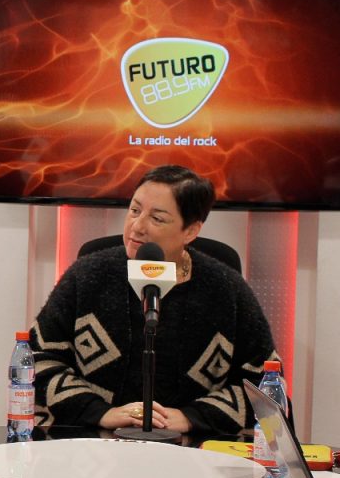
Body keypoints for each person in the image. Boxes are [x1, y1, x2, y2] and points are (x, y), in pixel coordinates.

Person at [31, 165, 278, 435]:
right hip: (95, 442)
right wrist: (100, 412)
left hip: (194, 449)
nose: (137, 227)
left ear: (190, 230)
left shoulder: (227, 288)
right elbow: (38, 359)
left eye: (157, 218)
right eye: (134, 210)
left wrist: (192, 417)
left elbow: (266, 381)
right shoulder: (87, 275)